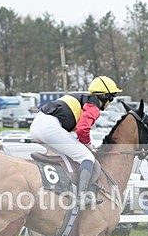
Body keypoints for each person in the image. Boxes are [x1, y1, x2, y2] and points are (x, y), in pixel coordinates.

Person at [30, 75, 122, 207]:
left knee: (73, 154)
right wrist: (88, 145)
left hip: (38, 125)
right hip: (49, 127)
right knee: (86, 156)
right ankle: (82, 195)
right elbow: (82, 129)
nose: (111, 102)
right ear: (105, 96)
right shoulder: (93, 107)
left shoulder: (81, 98)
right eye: (111, 98)